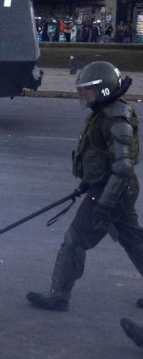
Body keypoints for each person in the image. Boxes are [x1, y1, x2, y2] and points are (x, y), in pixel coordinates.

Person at [26, 61, 143, 311]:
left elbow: (122, 168)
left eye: (88, 89)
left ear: (103, 89)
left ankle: (58, 296)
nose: (83, 94)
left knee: (75, 240)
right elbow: (104, 159)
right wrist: (88, 184)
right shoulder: (107, 111)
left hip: (112, 192)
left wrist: (103, 203)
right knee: (133, 240)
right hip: (115, 190)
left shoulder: (114, 119)